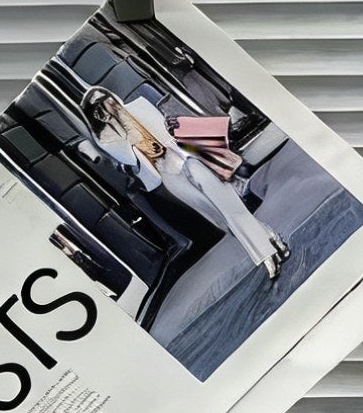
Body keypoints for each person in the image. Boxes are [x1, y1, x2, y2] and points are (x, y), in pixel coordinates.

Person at [81, 85, 287, 279]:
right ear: (94, 114)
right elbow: (129, 156)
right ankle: (269, 236)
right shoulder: (106, 139)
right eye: (99, 105)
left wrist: (122, 113)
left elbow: (166, 134)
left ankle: (266, 256)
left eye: (106, 97)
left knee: (231, 207)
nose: (107, 103)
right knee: (221, 221)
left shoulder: (139, 105)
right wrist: (116, 121)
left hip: (189, 159)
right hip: (168, 175)